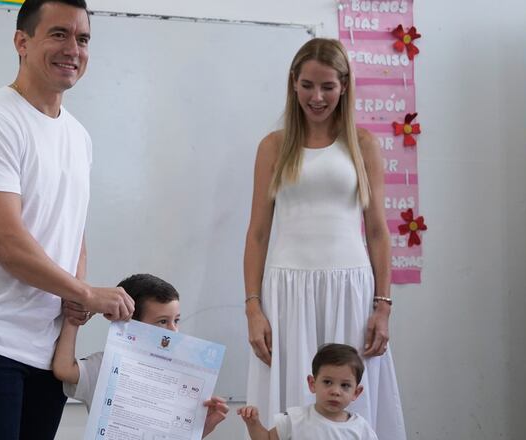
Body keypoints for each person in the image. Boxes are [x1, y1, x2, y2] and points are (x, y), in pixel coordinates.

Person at [0, 1, 135, 439]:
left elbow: (72, 229)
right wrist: (86, 292)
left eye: (83, 39)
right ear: (22, 41)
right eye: (59, 34)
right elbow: (4, 242)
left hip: (46, 348)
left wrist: (76, 306)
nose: (73, 49)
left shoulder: (78, 136)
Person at [242, 38, 405, 438]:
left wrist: (383, 306)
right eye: (308, 85)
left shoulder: (363, 145)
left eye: (328, 86)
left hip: (350, 287)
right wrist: (253, 308)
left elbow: (378, 232)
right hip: (286, 289)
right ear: (294, 83)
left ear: (344, 86)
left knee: (348, 396)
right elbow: (258, 233)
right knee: (290, 402)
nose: (317, 97)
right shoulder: (274, 146)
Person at [52, 273, 229, 438]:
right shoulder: (106, 365)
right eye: (162, 322)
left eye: (176, 320)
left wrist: (201, 429)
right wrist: (73, 317)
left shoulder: (182, 379)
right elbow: (64, 369)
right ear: (130, 323)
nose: (173, 331)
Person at [238, 344, 378, 440]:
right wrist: (253, 423)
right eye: (327, 382)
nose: (335, 391)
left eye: (345, 385)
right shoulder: (295, 419)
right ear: (312, 383)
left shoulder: (361, 429)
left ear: (356, 392)